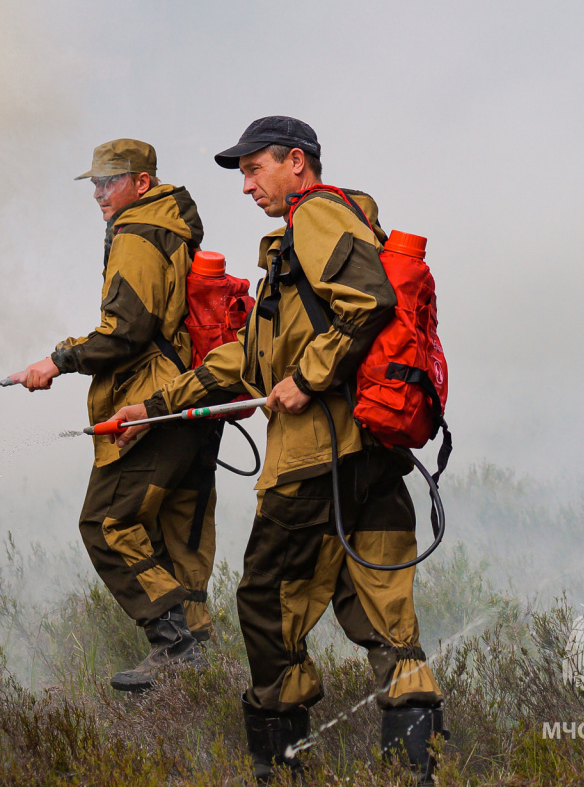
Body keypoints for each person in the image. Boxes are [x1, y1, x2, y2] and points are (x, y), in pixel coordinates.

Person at [107, 117, 446, 783]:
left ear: (297, 161)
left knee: (266, 603)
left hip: (316, 459)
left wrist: (308, 376)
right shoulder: (316, 233)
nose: (245, 184)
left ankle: (278, 768)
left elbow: (369, 302)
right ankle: (414, 772)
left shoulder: (316, 216)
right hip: (372, 457)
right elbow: (252, 355)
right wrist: (156, 405)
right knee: (383, 609)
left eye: (254, 167)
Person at [8, 138, 222, 692]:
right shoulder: (173, 227)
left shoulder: (137, 234)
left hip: (150, 406)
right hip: (192, 402)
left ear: (142, 183)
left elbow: (127, 331)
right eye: (96, 184)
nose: (100, 194)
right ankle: (202, 674)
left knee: (106, 523)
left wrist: (57, 361)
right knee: (180, 534)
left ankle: (176, 646)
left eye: (111, 182)